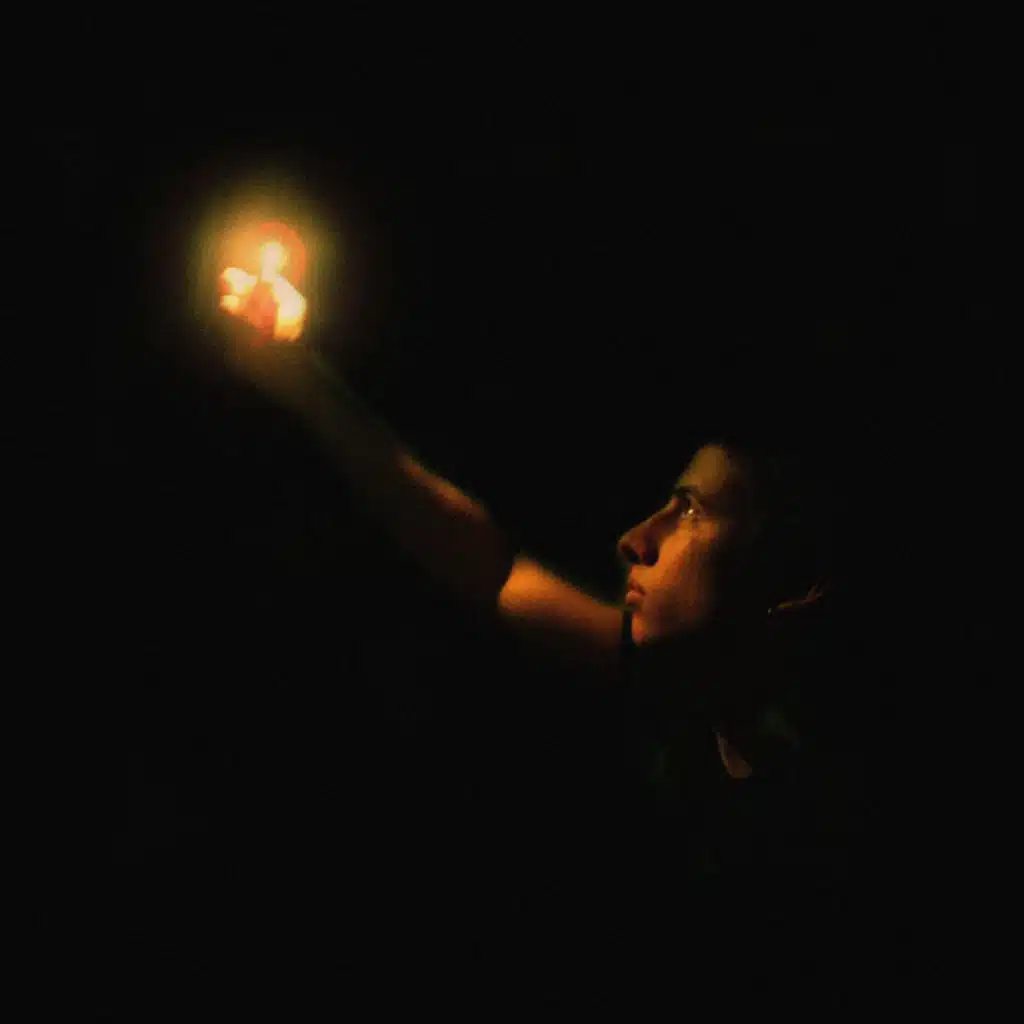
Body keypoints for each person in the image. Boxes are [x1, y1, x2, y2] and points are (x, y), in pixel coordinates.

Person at [217, 299, 870, 975]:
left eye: (692, 512)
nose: (634, 541)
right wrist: (300, 379)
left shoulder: (829, 819)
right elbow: (492, 570)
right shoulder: (685, 694)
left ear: (794, 579)